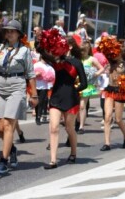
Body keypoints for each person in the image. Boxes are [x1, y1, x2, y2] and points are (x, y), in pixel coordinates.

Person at [0, 20, 37, 174]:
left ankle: (3, 161)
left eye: (12, 31)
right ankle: (12, 149)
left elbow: (30, 74)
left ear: (18, 34)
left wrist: (34, 95)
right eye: (7, 31)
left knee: (9, 124)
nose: (9, 33)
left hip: (16, 86)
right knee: (1, 126)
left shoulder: (24, 51)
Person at [41, 36, 87, 169]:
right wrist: (42, 41)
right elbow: (43, 53)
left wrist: (74, 90)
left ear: (70, 47)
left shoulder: (77, 63)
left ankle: (73, 153)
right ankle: (53, 160)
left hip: (71, 98)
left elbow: (84, 83)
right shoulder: (56, 60)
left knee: (69, 128)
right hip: (56, 97)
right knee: (54, 127)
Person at [99, 37, 125, 151]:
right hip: (109, 90)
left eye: (117, 53)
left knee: (118, 119)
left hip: (119, 92)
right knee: (107, 117)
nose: (114, 55)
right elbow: (105, 51)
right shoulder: (110, 61)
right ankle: (107, 143)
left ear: (121, 55)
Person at [78, 41, 104, 133]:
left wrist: (95, 74)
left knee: (82, 106)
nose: (83, 52)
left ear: (88, 50)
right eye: (82, 50)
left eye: (85, 50)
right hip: (77, 84)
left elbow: (101, 68)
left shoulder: (92, 59)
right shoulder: (77, 58)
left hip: (87, 85)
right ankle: (77, 122)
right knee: (75, 106)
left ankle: (81, 126)